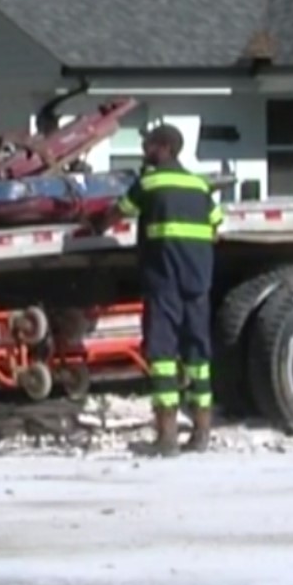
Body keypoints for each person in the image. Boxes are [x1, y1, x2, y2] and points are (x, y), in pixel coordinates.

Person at [87, 124, 223, 455]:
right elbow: (216, 226)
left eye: (147, 144)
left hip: (165, 282)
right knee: (198, 357)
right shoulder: (199, 186)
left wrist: (93, 225)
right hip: (198, 281)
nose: (143, 149)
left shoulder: (149, 182)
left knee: (162, 356)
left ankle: (166, 437)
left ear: (163, 147)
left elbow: (118, 214)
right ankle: (202, 434)